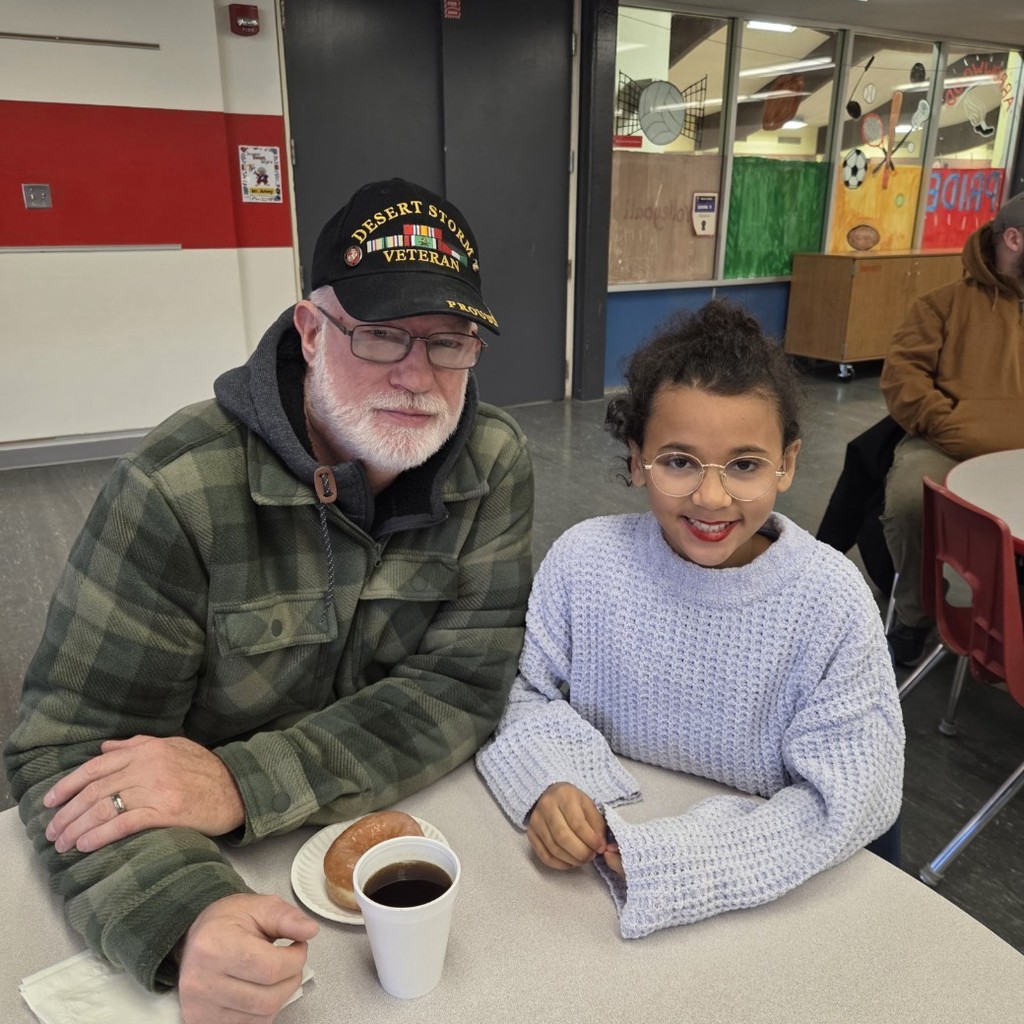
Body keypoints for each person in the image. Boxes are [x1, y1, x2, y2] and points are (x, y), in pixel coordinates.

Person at [4, 178, 534, 1023]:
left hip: (410, 850)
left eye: (449, 342)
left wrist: (242, 781)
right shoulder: (177, 489)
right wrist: (186, 917)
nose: (416, 374)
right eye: (381, 335)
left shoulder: (492, 464)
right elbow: (67, 752)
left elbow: (464, 685)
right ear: (311, 330)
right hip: (215, 866)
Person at [476, 299, 903, 938]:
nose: (711, 496)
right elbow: (522, 690)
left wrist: (675, 861)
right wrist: (551, 780)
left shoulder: (831, 602)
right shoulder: (585, 562)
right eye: (678, 461)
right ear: (635, 458)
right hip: (587, 888)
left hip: (764, 902)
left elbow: (847, 796)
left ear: (786, 464)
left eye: (746, 464)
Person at [880, 190, 1024, 666]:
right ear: (1014, 238)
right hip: (946, 445)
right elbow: (902, 375)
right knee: (908, 504)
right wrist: (946, 423)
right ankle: (916, 614)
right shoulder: (941, 305)